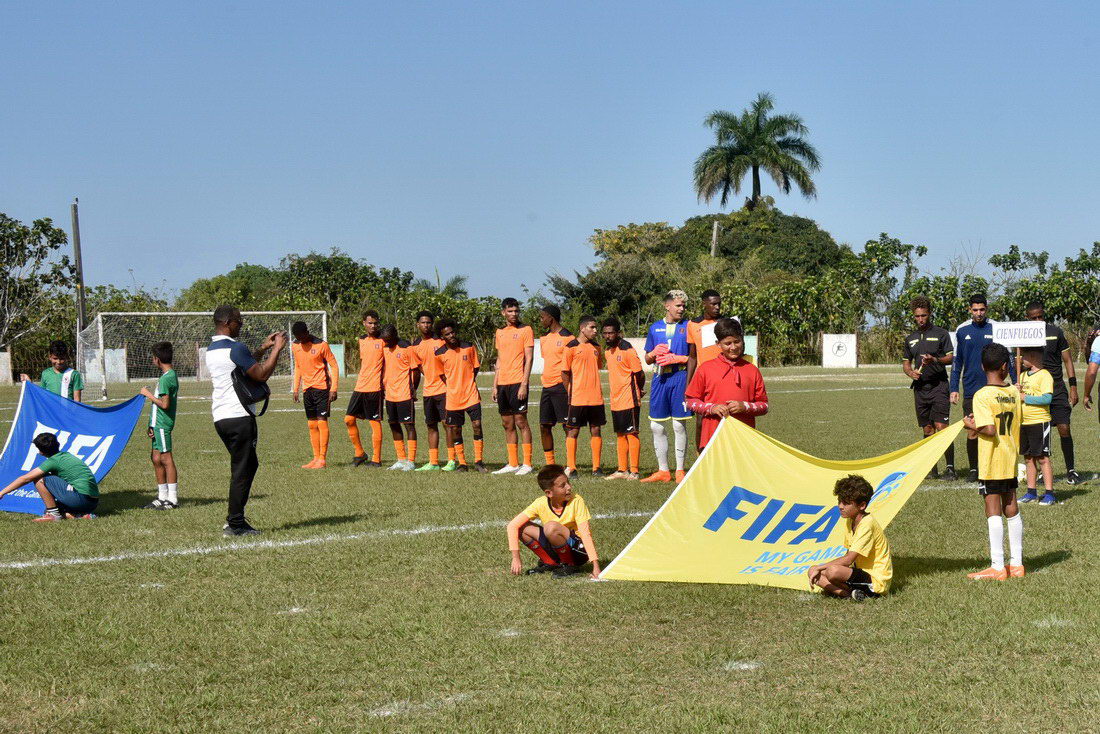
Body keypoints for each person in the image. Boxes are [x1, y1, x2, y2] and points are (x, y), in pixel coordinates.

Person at [206, 305, 286, 536]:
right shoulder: (236, 347)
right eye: (239, 322)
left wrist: (262, 347)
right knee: (242, 469)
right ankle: (235, 523)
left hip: (221, 417)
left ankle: (235, 518)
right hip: (239, 417)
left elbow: (243, 364)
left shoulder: (212, 349)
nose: (241, 325)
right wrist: (277, 349)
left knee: (246, 465)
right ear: (228, 322)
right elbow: (260, 374)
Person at [962, 343, 1025, 580]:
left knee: (992, 510)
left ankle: (998, 566)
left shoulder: (981, 395)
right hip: (1010, 455)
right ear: (1005, 366)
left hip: (991, 460)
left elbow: (988, 428)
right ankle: (1017, 564)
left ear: (981, 366)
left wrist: (970, 425)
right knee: (1011, 506)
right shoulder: (1013, 393)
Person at [951, 294, 1015, 484]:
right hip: (971, 389)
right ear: (970, 310)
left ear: (987, 309)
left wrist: (1014, 379)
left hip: (995, 389)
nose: (979, 313)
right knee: (973, 430)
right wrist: (954, 388)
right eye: (975, 310)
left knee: (994, 429)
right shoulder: (962, 330)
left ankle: (994, 465)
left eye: (982, 310)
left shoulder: (996, 327)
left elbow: (1008, 357)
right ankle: (973, 468)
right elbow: (957, 362)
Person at [684, 318, 768, 450]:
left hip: (744, 441)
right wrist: (711, 408)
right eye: (728, 343)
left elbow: (764, 406)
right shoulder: (706, 369)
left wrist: (745, 406)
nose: (733, 347)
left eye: (737, 342)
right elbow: (690, 401)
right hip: (713, 440)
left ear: (742, 340)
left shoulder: (752, 370)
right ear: (718, 344)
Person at [505, 464, 600, 579]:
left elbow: (585, 534)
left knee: (551, 527)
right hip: (557, 546)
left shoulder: (577, 501)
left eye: (568, 482)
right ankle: (550, 563)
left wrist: (595, 566)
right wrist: (516, 558)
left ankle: (569, 565)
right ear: (549, 493)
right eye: (562, 486)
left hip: (579, 551)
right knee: (522, 528)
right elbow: (512, 526)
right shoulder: (540, 503)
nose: (569, 487)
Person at [806, 475, 892, 601]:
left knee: (831, 571)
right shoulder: (850, 520)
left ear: (862, 505)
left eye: (846, 503)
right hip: (860, 575)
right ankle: (850, 595)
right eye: (839, 501)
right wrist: (818, 570)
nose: (840, 506)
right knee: (813, 572)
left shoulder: (867, 523)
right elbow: (848, 556)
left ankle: (858, 593)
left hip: (876, 582)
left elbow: (848, 559)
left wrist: (820, 568)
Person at [1026, 301, 1082, 484]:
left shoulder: (1055, 332)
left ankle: (1071, 470)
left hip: (1057, 388)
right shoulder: (1024, 335)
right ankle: (1042, 471)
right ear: (1028, 318)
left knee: (1064, 427)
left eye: (1040, 316)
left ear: (1044, 315)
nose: (1037, 320)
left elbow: (1067, 360)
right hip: (1035, 388)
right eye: (1033, 318)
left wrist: (1073, 386)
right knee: (1039, 431)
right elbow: (1019, 361)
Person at [902, 296, 956, 480]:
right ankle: (931, 468)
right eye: (917, 316)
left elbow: (950, 357)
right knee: (927, 430)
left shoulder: (941, 333)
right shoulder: (910, 339)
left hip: (939, 386)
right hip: (920, 389)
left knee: (942, 427)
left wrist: (935, 359)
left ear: (929, 314)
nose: (920, 319)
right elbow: (906, 363)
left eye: (923, 315)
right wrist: (911, 373)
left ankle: (950, 468)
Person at [642, 289, 691, 483]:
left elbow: (695, 358)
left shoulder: (688, 326)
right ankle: (663, 471)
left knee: (679, 424)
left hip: (680, 377)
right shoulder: (655, 328)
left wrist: (679, 358)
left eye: (683, 306)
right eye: (678, 305)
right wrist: (653, 353)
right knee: (656, 426)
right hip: (659, 379)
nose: (681, 309)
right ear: (667, 305)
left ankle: (680, 470)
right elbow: (646, 359)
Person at [0, 433, 99, 521]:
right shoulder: (66, 456)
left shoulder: (53, 461)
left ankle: (53, 515)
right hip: (92, 502)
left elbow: (25, 478)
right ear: (58, 444)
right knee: (52, 507)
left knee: (39, 479)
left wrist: (2, 493)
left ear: (41, 452)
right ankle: (80, 516)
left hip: (80, 499)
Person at [434, 319, 488, 472]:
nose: (451, 335)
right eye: (447, 334)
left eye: (452, 332)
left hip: (471, 394)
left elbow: (475, 368)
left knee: (477, 425)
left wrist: (467, 381)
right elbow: (442, 375)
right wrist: (454, 385)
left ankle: (478, 461)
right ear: (442, 337)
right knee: (456, 430)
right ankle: (462, 463)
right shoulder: (439, 354)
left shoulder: (469, 346)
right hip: (453, 399)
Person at [492, 297, 535, 476]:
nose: (514, 314)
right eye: (510, 311)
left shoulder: (526, 330)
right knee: (507, 423)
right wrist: (495, 385)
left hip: (518, 382)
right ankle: (513, 463)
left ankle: (527, 463)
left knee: (521, 422)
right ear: (503, 313)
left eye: (516, 311)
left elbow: (529, 358)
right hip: (503, 383)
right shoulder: (499, 332)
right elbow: (500, 359)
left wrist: (524, 384)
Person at [291, 321, 339, 469]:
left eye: (302, 336)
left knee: (321, 421)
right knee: (311, 424)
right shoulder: (295, 345)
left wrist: (334, 388)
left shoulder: (321, 345)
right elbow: (298, 367)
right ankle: (315, 458)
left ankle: (322, 459)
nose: (301, 339)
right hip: (307, 389)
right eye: (298, 337)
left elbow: (334, 365)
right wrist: (295, 388)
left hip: (322, 388)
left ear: (307, 332)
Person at [602, 317, 645, 479]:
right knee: (620, 434)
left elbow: (639, 373)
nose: (607, 336)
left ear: (618, 333)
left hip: (629, 398)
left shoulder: (627, 349)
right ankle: (622, 470)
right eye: (605, 333)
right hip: (616, 399)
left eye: (611, 333)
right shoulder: (607, 351)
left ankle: (634, 471)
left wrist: (639, 390)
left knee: (631, 433)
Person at [562, 316, 605, 476]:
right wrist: (570, 391)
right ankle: (571, 467)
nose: (595, 331)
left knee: (596, 430)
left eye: (596, 328)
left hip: (595, 397)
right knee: (573, 431)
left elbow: (597, 367)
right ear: (582, 328)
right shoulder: (571, 347)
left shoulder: (596, 347)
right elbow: (564, 373)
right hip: (577, 398)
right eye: (592, 327)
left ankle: (596, 467)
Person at [140, 341, 180, 509]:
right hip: (157, 425)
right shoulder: (167, 376)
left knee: (166, 459)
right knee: (156, 458)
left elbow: (164, 405)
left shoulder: (167, 379)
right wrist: (151, 424)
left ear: (156, 359)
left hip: (163, 425)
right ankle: (162, 496)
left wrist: (147, 394)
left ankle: (173, 499)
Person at [346, 311, 385, 468]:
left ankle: (376, 459)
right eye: (370, 323)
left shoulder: (384, 340)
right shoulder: (361, 340)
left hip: (375, 388)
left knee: (374, 422)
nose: (373, 326)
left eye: (375, 323)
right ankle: (360, 453)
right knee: (348, 419)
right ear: (364, 323)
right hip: (360, 386)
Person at [1017, 346, 1055, 505]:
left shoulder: (1045, 375)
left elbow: (1046, 399)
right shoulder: (1023, 375)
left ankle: (1049, 494)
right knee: (1028, 458)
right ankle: (1031, 492)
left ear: (1032, 356)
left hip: (1039, 422)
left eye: (1023, 356)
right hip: (1024, 422)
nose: (1020, 359)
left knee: (1042, 458)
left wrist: (1025, 397)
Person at [410, 311, 447, 471]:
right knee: (431, 425)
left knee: (448, 425)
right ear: (418, 324)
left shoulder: (441, 340)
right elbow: (418, 369)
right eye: (423, 322)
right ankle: (433, 462)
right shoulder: (415, 345)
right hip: (428, 391)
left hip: (445, 390)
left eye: (429, 322)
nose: (426, 325)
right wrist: (413, 389)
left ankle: (453, 459)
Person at [380, 324, 420, 471]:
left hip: (404, 394)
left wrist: (413, 390)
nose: (386, 343)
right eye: (384, 340)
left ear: (395, 335)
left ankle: (411, 461)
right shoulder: (385, 347)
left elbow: (415, 371)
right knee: (393, 424)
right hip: (390, 394)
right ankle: (401, 459)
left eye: (389, 340)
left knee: (409, 425)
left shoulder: (406, 347)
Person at [537, 305, 572, 466]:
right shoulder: (543, 338)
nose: (541, 320)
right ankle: (550, 464)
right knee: (544, 425)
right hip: (547, 387)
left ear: (551, 318)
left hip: (561, 387)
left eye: (542, 317)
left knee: (567, 426)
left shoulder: (568, 337)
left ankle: (570, 465)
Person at [20, 340, 84, 402]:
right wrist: (29, 384)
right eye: (55, 358)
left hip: (68, 412)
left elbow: (77, 400)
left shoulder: (74, 374)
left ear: (66, 357)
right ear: (50, 357)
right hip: (51, 412)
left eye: (61, 358)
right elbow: (42, 395)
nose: (58, 362)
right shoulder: (45, 373)